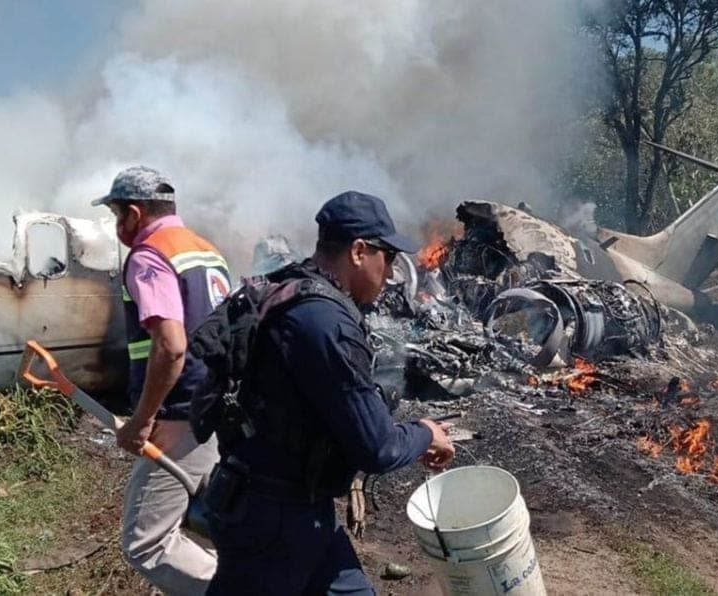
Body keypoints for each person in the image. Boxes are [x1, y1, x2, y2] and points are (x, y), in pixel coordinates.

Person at [202, 190, 455, 595]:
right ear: (359, 251)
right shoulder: (323, 323)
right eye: (386, 257)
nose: (390, 272)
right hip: (272, 521)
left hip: (297, 508)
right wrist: (425, 432)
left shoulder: (288, 289)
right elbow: (378, 448)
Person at [92, 166, 230, 595]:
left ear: (133, 213)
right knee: (209, 515)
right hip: (218, 404)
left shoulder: (150, 254)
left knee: (145, 542)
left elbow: (171, 346)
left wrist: (143, 418)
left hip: (180, 412)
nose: (117, 226)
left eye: (117, 215)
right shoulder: (205, 250)